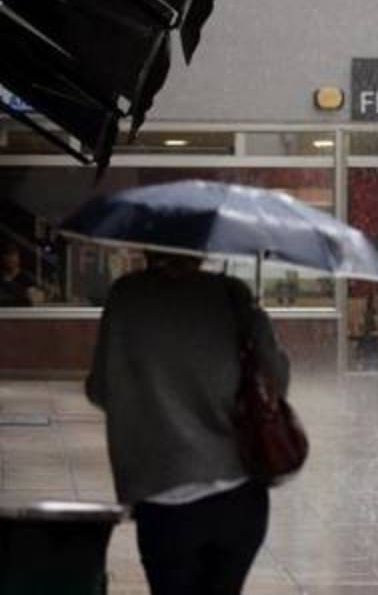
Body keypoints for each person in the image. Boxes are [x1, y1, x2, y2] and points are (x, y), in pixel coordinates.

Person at [87, 251, 290, 595]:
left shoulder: (128, 295)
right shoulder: (232, 293)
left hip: (164, 495)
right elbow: (275, 381)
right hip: (239, 494)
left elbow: (101, 389)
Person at [0, 240, 44, 306]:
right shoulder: (1, 277)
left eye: (13, 255)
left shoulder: (27, 278)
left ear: (18, 257)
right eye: (6, 255)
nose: (10, 258)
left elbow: (39, 298)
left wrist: (28, 293)